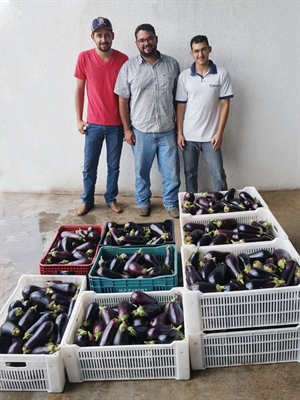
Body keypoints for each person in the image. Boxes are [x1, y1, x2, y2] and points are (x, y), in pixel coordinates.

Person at [114, 23, 181, 218]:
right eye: (142, 40)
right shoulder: (129, 68)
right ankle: (143, 202)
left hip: (167, 129)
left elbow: (178, 98)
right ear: (136, 43)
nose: (146, 43)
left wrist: (179, 127)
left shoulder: (172, 64)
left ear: (156, 39)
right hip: (141, 131)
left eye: (149, 38)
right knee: (141, 172)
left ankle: (170, 202)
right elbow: (122, 101)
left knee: (172, 172)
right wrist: (127, 130)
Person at [74, 17, 128, 216]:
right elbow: (79, 90)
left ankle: (111, 199)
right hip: (93, 124)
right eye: (99, 35)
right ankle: (87, 200)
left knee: (113, 166)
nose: (103, 39)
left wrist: (127, 124)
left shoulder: (123, 59)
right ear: (93, 37)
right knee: (89, 166)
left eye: (107, 34)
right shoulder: (84, 58)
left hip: (116, 124)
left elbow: (127, 95)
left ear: (112, 36)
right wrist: (79, 119)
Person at [176, 35, 233, 193]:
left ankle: (223, 208)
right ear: (191, 53)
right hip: (189, 137)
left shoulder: (221, 73)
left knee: (218, 174)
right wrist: (179, 133)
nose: (200, 54)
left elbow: (225, 104)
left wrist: (220, 132)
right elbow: (180, 107)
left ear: (209, 49)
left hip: (211, 137)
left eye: (203, 50)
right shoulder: (184, 77)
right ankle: (191, 207)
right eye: (196, 51)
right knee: (189, 174)